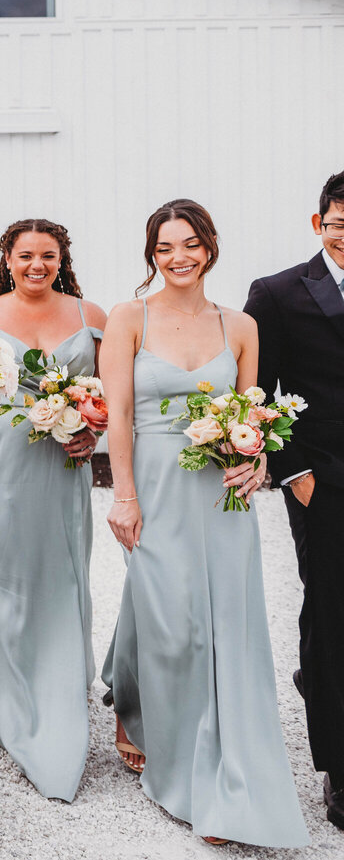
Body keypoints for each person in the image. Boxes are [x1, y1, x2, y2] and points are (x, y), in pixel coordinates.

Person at [100, 199, 308, 847]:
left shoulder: (240, 325)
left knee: (227, 632)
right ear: (151, 254)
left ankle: (226, 777)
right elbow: (119, 416)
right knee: (175, 624)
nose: (178, 257)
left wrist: (260, 468)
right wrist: (124, 495)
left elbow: (254, 417)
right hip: (157, 488)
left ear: (209, 246)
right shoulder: (129, 317)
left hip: (223, 499)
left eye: (189, 244)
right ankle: (161, 742)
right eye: (165, 248)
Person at [0, 219, 106, 801]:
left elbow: (108, 393)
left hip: (62, 470)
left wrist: (91, 431)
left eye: (48, 256)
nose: (36, 266)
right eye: (25, 256)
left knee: (57, 576)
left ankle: (54, 693)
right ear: (8, 258)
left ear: (62, 259)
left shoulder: (90, 316)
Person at [245, 170, 344, 833]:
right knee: (334, 613)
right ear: (320, 224)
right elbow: (261, 390)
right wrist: (294, 469)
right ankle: (340, 766)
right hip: (326, 477)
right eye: (340, 223)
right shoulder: (279, 292)